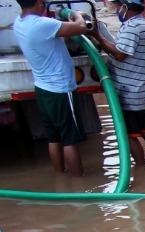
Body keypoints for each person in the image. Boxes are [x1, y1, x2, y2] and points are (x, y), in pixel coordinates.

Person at [13, 0, 95, 175]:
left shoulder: (19, 22)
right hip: (61, 89)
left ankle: (61, 177)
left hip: (43, 89)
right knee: (70, 139)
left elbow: (56, 37)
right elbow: (81, 27)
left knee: (54, 137)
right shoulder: (42, 24)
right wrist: (77, 15)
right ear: (40, 3)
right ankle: (79, 184)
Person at [91, 0, 145, 167]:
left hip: (130, 91)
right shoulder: (138, 24)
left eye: (118, 5)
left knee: (129, 135)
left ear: (126, 7)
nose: (117, 9)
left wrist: (97, 36)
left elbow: (120, 54)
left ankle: (141, 169)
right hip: (140, 90)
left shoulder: (132, 28)